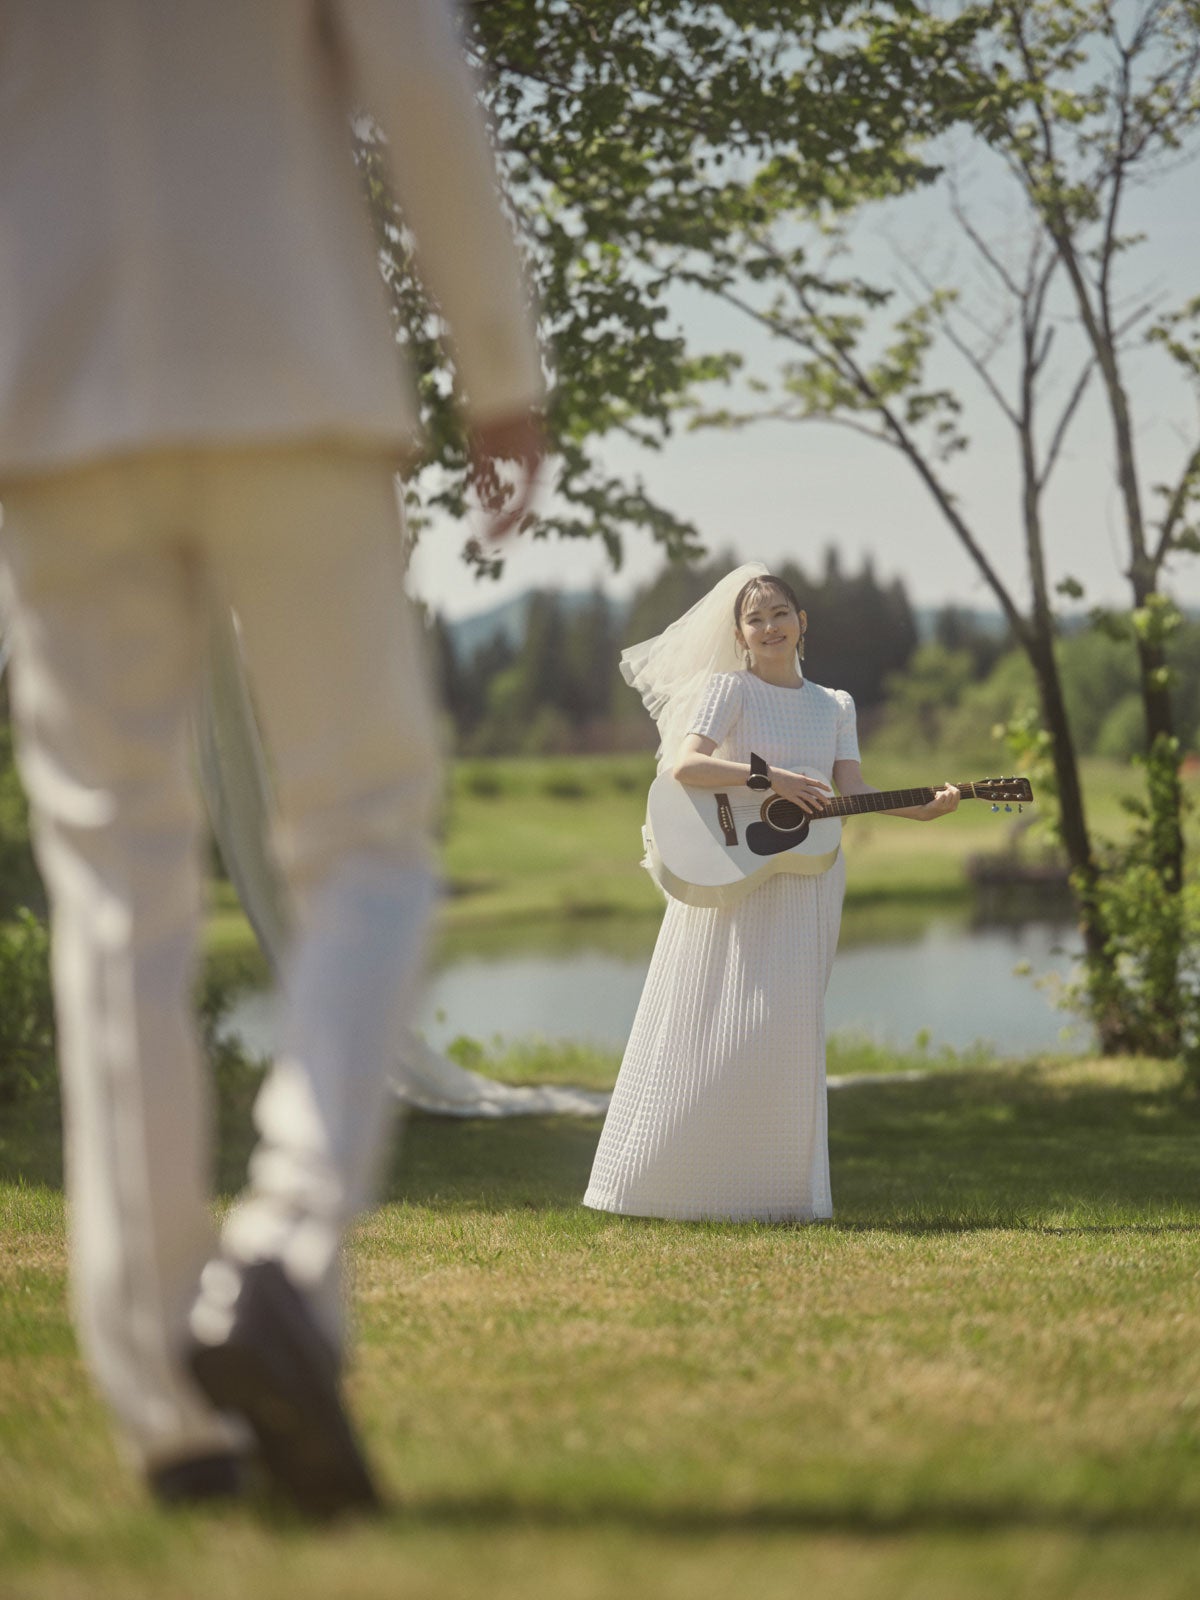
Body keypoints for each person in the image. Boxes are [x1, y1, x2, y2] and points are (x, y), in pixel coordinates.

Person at [0, 0, 542, 1517]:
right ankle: (289, 1262)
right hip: (291, 370)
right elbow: (416, 73)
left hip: (42, 393)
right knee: (366, 832)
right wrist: (496, 361)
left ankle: (167, 1406)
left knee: (115, 887)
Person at [583, 564, 959, 1224]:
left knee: (788, 1026)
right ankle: (665, 1184)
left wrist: (919, 809)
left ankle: (778, 1195)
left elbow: (851, 790)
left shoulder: (834, 705)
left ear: (802, 622)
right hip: (728, 870)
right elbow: (686, 765)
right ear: (739, 633)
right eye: (754, 619)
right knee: (707, 1015)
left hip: (810, 883)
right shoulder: (729, 690)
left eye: (779, 614)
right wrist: (771, 780)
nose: (769, 627)